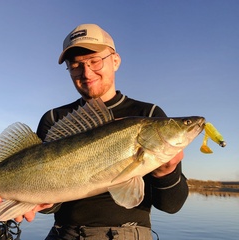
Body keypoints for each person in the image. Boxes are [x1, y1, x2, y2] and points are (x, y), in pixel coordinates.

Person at [13, 24, 188, 239]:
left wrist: (165, 172)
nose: (86, 72)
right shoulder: (54, 118)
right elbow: (51, 205)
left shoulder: (149, 114)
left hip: (127, 232)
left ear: (115, 61)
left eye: (95, 61)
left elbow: (172, 205)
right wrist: (35, 203)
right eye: (76, 65)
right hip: (64, 233)